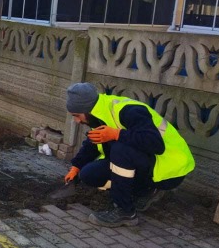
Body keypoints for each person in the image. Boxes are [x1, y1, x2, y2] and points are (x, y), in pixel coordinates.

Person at [63, 82, 195, 227]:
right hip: (146, 164)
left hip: (168, 169)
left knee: (121, 150)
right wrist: (76, 166)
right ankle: (143, 192)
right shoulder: (98, 114)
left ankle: (125, 211)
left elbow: (155, 143)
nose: (76, 121)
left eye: (77, 115)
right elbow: (92, 142)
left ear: (87, 110)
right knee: (88, 174)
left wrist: (116, 134)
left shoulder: (128, 110)